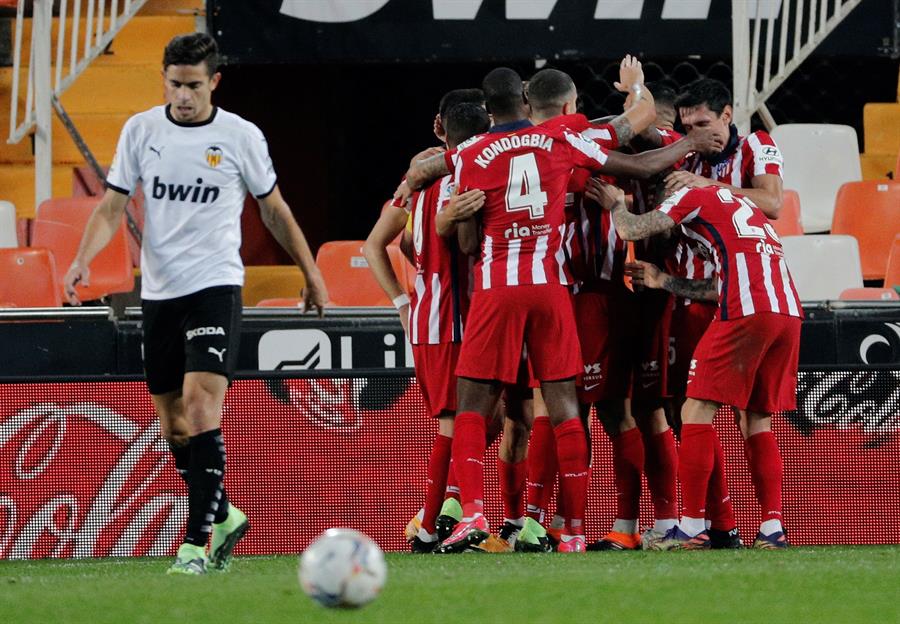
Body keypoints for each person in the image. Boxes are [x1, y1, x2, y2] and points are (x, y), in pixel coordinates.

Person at [403, 66, 723, 553]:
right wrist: (655, 108)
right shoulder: (563, 139)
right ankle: (572, 530)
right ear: (529, 103)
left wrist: (422, 182)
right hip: (553, 287)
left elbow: (461, 237)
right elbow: (637, 143)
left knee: (473, 407)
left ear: (490, 110)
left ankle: (473, 514)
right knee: (568, 407)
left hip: (499, 289)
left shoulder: (469, 154)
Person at [62, 33, 328, 574]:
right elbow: (111, 207)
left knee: (201, 403)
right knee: (174, 425)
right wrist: (81, 259)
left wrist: (311, 272)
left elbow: (274, 209)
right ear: (164, 80)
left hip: (215, 285)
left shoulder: (240, 136)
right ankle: (224, 515)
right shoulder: (141, 130)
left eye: (194, 86)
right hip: (160, 293)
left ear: (214, 82)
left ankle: (194, 546)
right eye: (175, 84)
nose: (183, 96)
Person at [594, 182, 801, 550]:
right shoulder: (738, 208)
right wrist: (663, 280)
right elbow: (716, 286)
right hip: (786, 311)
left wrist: (615, 205)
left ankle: (691, 527)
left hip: (746, 309)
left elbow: (631, 229)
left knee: (694, 410)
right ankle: (772, 528)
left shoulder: (690, 196)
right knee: (756, 419)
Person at [364, 101, 490, 552]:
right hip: (453, 315)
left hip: (433, 313)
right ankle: (447, 516)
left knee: (475, 417)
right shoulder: (466, 177)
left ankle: (436, 517)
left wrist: (405, 300)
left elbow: (400, 243)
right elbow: (461, 243)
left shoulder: (417, 178)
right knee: (460, 419)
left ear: (442, 129)